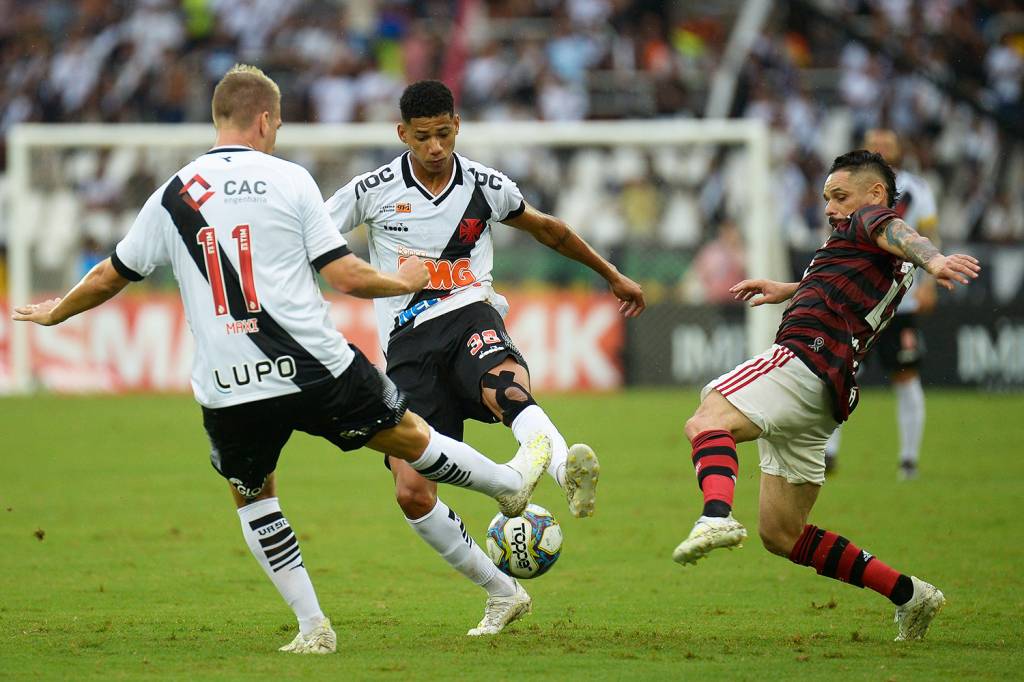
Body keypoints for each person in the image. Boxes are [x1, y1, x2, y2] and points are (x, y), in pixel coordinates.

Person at [11, 65, 552, 655]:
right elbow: (344, 274)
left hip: (229, 380)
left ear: (219, 119)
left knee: (255, 495)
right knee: (410, 439)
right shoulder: (290, 180)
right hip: (317, 366)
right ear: (266, 120)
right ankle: (505, 485)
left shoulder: (173, 193)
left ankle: (313, 627)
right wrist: (402, 282)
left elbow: (112, 274)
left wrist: (59, 311)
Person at [324, 80, 646, 636]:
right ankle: (502, 593)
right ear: (402, 134)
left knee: (505, 388)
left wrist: (610, 274)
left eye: (444, 134)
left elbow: (551, 229)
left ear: (457, 126)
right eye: (422, 137)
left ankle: (565, 465)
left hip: (472, 314)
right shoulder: (371, 190)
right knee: (411, 491)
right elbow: (319, 244)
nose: (434, 147)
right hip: (407, 346)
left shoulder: (485, 185)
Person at [673, 150, 980, 641]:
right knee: (782, 534)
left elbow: (902, 233)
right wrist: (789, 288)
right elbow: (852, 280)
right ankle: (911, 595)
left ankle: (715, 516)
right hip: (828, 393)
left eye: (840, 196)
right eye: (826, 199)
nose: (832, 208)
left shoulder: (874, 221)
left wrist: (937, 258)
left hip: (801, 359)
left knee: (707, 421)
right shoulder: (865, 248)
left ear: (874, 194)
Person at [824, 129, 939, 480]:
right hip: (855, 301)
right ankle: (827, 453)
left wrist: (930, 283)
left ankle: (908, 460)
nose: (882, 149)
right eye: (875, 144)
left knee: (905, 377)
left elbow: (929, 237)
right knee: (839, 373)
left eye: (888, 144)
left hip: (897, 304)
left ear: (899, 148)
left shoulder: (918, 190)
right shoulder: (849, 191)